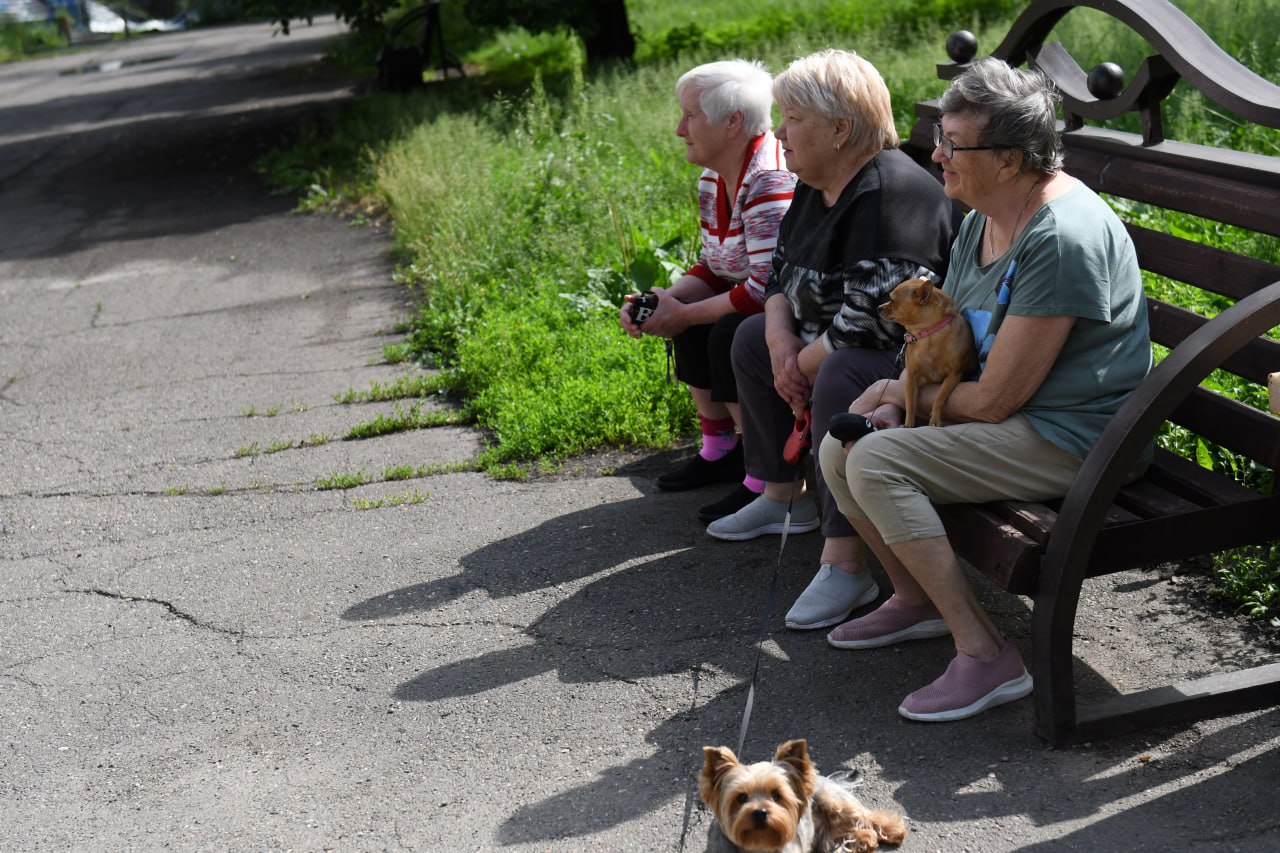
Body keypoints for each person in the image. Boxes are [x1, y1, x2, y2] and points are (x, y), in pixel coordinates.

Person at [818, 56, 1152, 722]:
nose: (936, 154)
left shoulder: (1060, 237)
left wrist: (897, 406)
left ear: (1009, 160)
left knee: (877, 457)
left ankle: (988, 654)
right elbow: (943, 338)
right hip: (1019, 419)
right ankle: (916, 600)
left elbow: (999, 398)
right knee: (839, 446)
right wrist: (892, 391)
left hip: (1077, 438)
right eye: (940, 137)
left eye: (952, 144)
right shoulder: (981, 214)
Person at [704, 49, 958, 633]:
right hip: (828, 339)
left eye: (793, 118)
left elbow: (877, 315)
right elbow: (777, 277)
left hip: (906, 363)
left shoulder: (892, 193)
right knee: (746, 337)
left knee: (845, 370)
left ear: (841, 129)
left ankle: (846, 559)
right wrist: (776, 338)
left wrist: (801, 360)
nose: (780, 133)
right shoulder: (813, 185)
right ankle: (780, 494)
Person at [620, 60, 796, 515]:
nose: (680, 129)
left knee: (723, 333)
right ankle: (721, 450)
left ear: (732, 121)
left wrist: (681, 312)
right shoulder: (713, 175)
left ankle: (762, 474)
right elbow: (716, 265)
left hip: (789, 306)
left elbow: (764, 287)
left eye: (690, 115)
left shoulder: (768, 180)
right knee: (691, 319)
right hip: (758, 294)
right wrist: (663, 302)